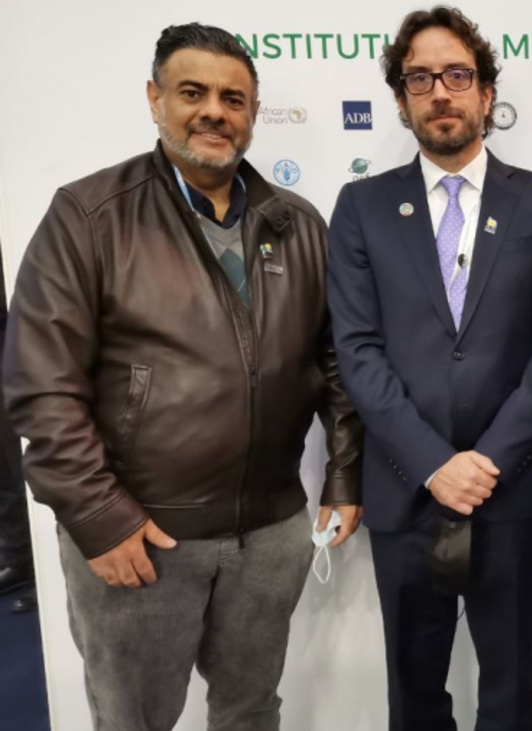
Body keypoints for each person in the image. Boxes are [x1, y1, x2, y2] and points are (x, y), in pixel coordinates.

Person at [2, 23, 363, 730]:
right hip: (141, 537)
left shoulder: (297, 224)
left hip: (269, 532)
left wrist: (345, 476)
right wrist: (100, 517)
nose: (214, 112)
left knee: (251, 708)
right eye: (192, 92)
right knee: (135, 718)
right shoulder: (89, 216)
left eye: (234, 98)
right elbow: (41, 385)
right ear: (154, 98)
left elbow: (337, 362)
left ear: (253, 115)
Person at [327, 6, 532, 730]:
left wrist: (485, 460)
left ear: (487, 93)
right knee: (415, 693)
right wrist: (435, 463)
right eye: (420, 78)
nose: (440, 92)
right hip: (406, 490)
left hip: (512, 486)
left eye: (458, 75)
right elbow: (356, 350)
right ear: (400, 100)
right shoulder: (363, 206)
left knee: (509, 690)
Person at [0, 249, 36, 615]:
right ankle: (17, 559)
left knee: (19, 464)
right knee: (3, 470)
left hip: (11, 336)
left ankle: (43, 581)